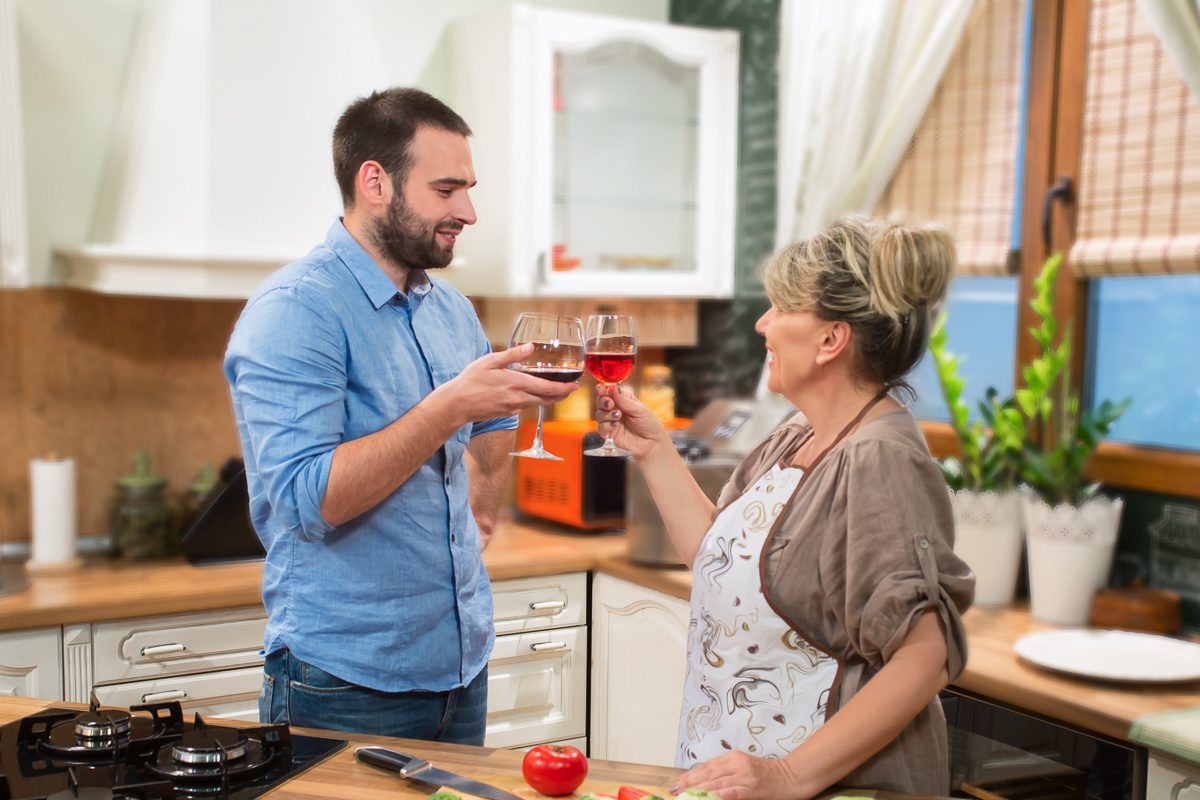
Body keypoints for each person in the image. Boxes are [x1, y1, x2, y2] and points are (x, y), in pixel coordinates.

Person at [223, 87, 576, 743]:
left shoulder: (451, 310)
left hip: (461, 666)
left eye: (468, 189)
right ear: (375, 182)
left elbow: (493, 425)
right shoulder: (297, 310)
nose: (468, 211)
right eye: (446, 190)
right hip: (345, 683)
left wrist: (484, 501)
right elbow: (308, 501)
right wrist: (447, 409)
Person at [597, 216, 975, 798]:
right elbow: (719, 561)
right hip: (731, 774)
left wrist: (787, 775)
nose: (762, 323)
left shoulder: (879, 460)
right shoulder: (800, 433)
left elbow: (925, 658)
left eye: (780, 307)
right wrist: (654, 452)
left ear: (831, 339)